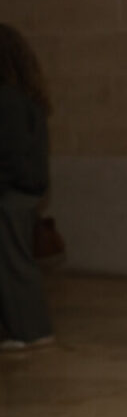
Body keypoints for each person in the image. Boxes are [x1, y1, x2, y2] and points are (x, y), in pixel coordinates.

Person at [0, 23, 55, 352]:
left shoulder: (7, 98)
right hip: (23, 191)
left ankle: (31, 331)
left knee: (15, 264)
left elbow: (10, 155)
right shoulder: (26, 95)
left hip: (12, 194)